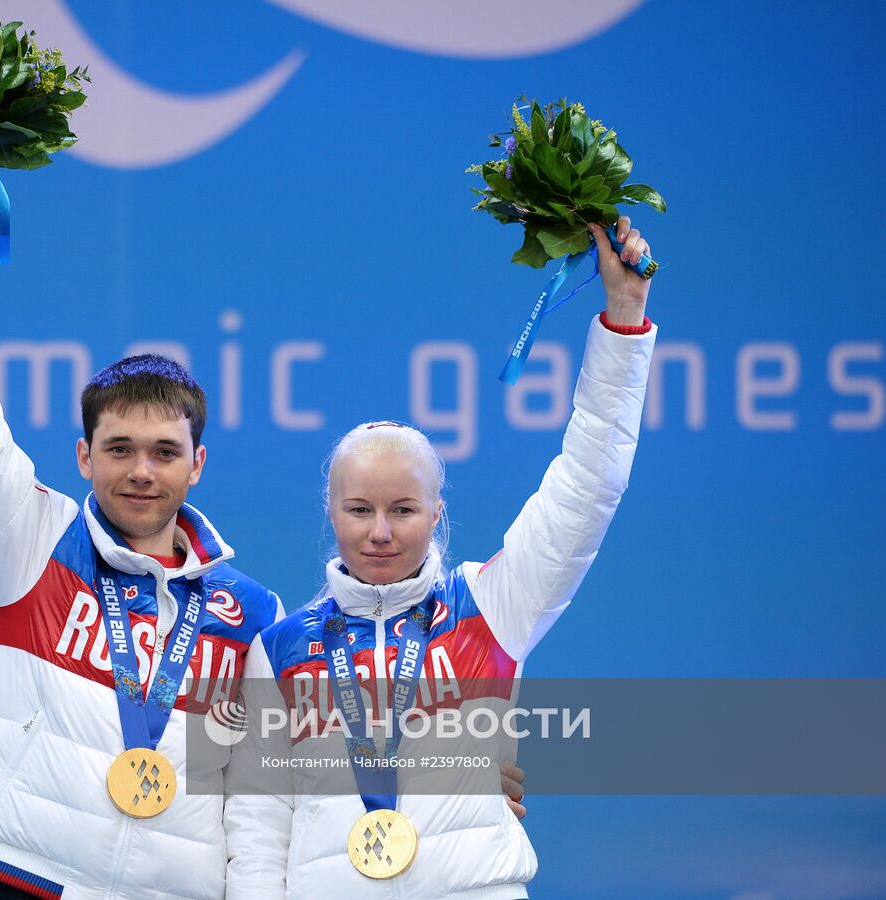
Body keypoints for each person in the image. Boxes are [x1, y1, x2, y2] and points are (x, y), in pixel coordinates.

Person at [0, 132, 527, 899]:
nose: (139, 470)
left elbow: (279, 792)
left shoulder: (256, 617)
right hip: (36, 882)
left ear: (198, 464)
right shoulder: (30, 543)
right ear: (83, 457)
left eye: (164, 451)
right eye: (118, 448)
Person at [224, 220, 657, 899]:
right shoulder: (278, 648)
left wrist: (624, 319)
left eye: (403, 510)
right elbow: (256, 825)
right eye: (360, 510)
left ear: (437, 515)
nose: (380, 533)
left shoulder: (492, 604)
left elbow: (588, 483)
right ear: (330, 513)